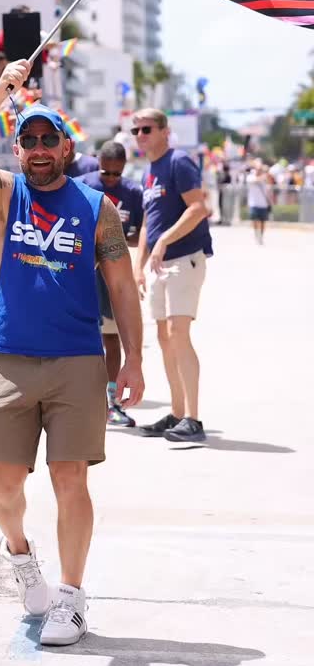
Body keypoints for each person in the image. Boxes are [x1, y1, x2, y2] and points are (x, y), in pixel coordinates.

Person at [0, 73, 144, 646]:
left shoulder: (97, 207)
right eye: (28, 141)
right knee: (3, 485)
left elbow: (124, 289)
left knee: (69, 478)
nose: (37, 150)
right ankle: (20, 554)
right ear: (18, 149)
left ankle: (72, 597)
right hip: (8, 358)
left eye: (47, 141)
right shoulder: (4, 194)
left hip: (78, 361)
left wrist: (131, 361)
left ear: (67, 149)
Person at [132, 109, 212, 444]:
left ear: (165, 131)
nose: (140, 135)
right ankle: (177, 413)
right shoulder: (148, 172)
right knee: (164, 338)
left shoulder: (179, 161)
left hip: (184, 260)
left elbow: (198, 208)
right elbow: (149, 222)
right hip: (160, 265)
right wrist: (139, 263)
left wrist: (165, 241)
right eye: (135, 130)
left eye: (147, 129)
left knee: (179, 334)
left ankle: (193, 418)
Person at [81, 141, 144, 428]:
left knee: (111, 336)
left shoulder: (132, 193)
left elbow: (141, 235)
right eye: (105, 173)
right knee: (83, 336)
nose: (109, 179)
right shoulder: (81, 186)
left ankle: (112, 403)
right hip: (81, 272)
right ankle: (83, 402)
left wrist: (114, 239)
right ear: (97, 164)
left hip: (112, 272)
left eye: (116, 175)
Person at [246, 159, 272, 243]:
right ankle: (256, 234)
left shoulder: (265, 177)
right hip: (253, 203)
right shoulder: (251, 176)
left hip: (263, 204)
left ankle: (261, 235)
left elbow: (269, 186)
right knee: (255, 220)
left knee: (263, 222)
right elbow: (254, 180)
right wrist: (263, 176)